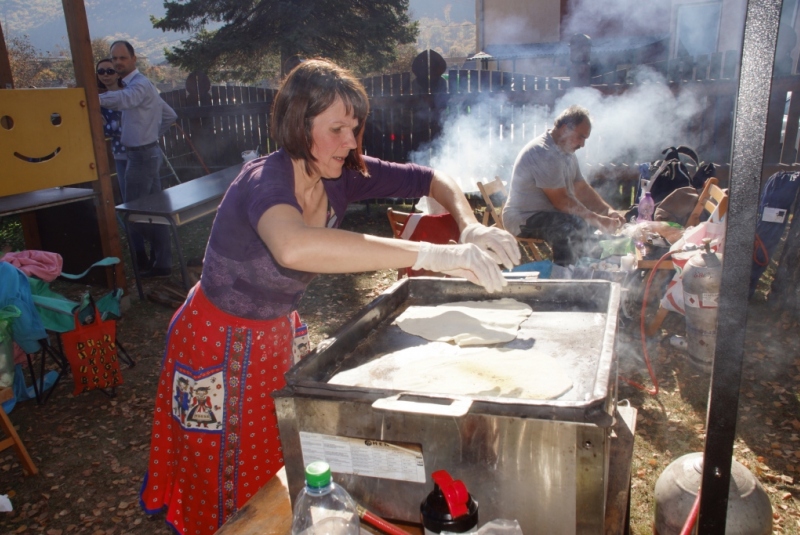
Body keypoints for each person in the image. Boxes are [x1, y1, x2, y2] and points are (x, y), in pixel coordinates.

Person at [138, 58, 520, 535]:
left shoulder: (343, 174)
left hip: (275, 334)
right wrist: (432, 254)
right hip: (216, 341)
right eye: (337, 128)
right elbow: (294, 245)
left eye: (355, 127)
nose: (351, 142)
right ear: (300, 126)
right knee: (219, 469)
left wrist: (470, 224)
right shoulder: (265, 180)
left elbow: (432, 179)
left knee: (282, 459)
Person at [503, 105, 626, 266]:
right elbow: (561, 202)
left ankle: (587, 267)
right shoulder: (544, 153)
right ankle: (565, 277)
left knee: (582, 225)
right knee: (568, 228)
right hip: (523, 218)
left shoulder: (566, 152)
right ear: (564, 128)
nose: (582, 144)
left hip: (547, 214)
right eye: (581, 137)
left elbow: (581, 188)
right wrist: (597, 220)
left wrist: (607, 211)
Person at [99, 40, 178, 277]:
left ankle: (158, 254)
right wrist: (152, 134)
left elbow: (126, 100)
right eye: (114, 58)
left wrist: (91, 98)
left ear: (134, 59)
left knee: (132, 213)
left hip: (141, 155)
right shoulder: (141, 86)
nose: (117, 62)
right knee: (154, 212)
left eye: (122, 58)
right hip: (148, 152)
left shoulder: (139, 85)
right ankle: (163, 263)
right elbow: (169, 114)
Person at [95, 58, 127, 199]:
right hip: (119, 153)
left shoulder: (129, 94)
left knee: (147, 195)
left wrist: (108, 126)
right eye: (101, 71)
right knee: (127, 195)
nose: (105, 75)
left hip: (139, 152)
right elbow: (103, 130)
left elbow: (128, 125)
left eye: (110, 71)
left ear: (118, 74)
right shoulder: (99, 101)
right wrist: (111, 127)